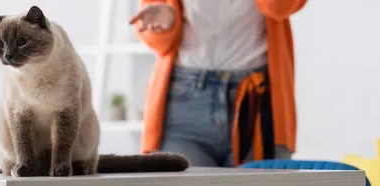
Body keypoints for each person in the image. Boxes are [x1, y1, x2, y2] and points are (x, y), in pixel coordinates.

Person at [129, 0, 306, 167]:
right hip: (185, 103)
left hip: (256, 102)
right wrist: (164, 23)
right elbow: (159, 42)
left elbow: (281, 7)